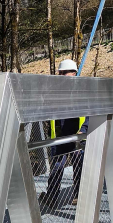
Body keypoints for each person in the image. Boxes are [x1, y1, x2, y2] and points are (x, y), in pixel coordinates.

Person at [42, 58, 86, 211]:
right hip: (61, 136)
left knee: (78, 167)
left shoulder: (82, 91)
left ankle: (77, 196)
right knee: (58, 168)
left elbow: (90, 111)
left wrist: (84, 129)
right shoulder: (55, 91)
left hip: (76, 136)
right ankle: (52, 197)